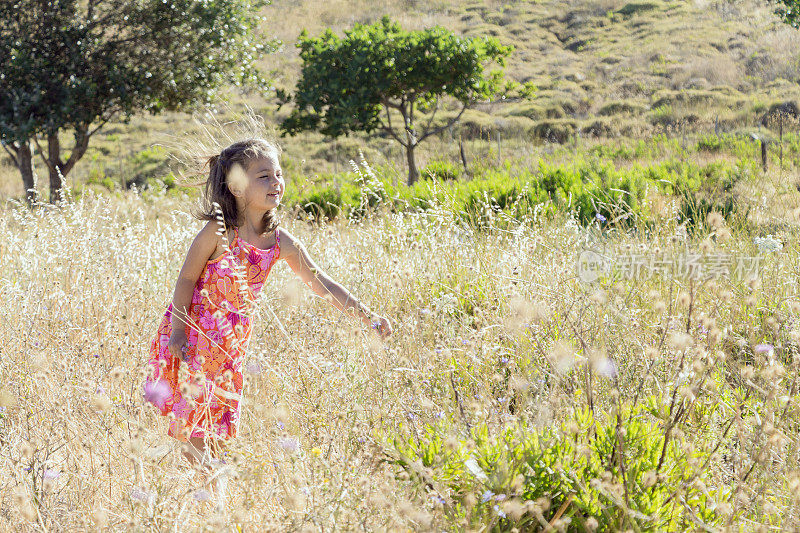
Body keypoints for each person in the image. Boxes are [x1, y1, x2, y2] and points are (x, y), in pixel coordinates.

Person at [143, 138, 392, 508]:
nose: (276, 181)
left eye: (278, 174)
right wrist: (178, 330)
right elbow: (185, 281)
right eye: (264, 176)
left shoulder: (278, 240)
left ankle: (211, 493)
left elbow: (318, 281)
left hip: (231, 346)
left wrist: (366, 315)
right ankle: (211, 499)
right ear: (237, 186)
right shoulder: (218, 232)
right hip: (194, 337)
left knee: (221, 418)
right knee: (197, 419)